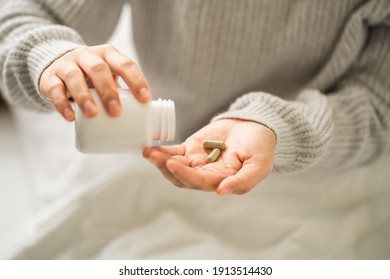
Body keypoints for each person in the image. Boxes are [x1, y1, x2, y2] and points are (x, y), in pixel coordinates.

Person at [0, 0, 389, 196]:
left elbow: (378, 103)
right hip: (163, 138)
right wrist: (48, 55)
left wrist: (280, 127)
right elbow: (25, 13)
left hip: (320, 161)